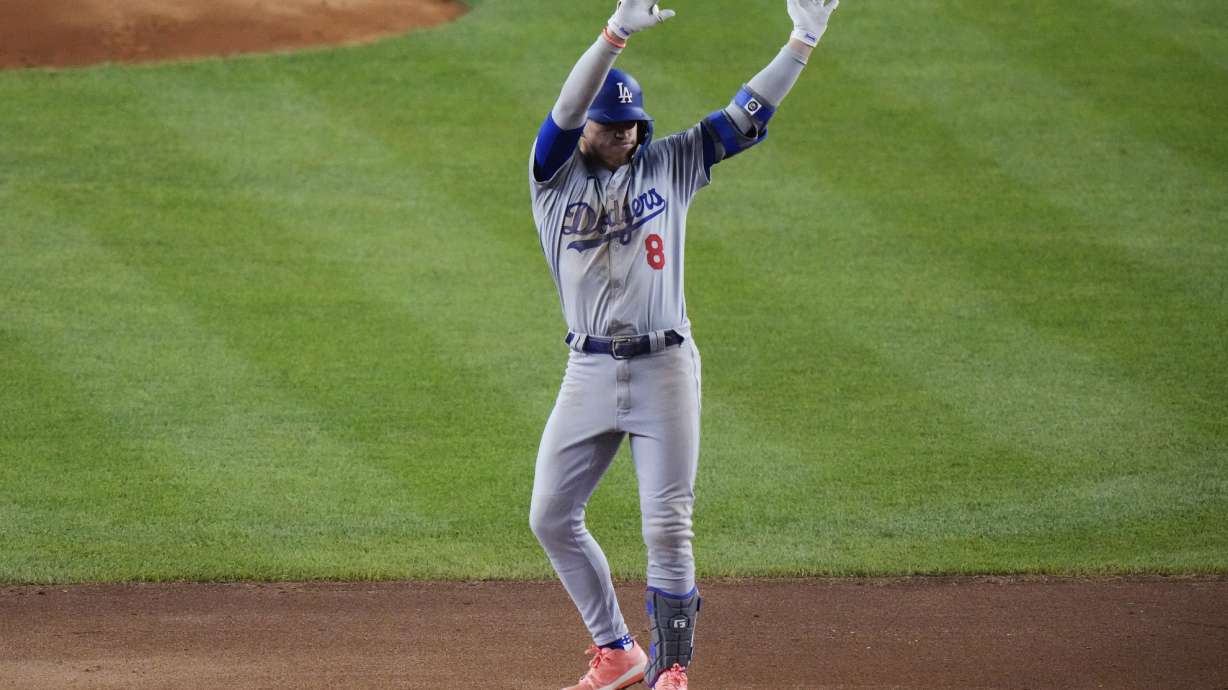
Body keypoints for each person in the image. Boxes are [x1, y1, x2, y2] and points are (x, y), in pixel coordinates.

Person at [527, 1, 840, 688]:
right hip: (587, 370)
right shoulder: (552, 181)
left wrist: (802, 40)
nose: (631, 139)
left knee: (667, 527)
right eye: (616, 129)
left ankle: (671, 670)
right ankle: (616, 649)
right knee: (550, 514)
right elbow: (565, 106)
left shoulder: (671, 163)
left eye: (637, 127)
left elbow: (745, 113)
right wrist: (613, 36)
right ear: (590, 132)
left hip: (666, 365)